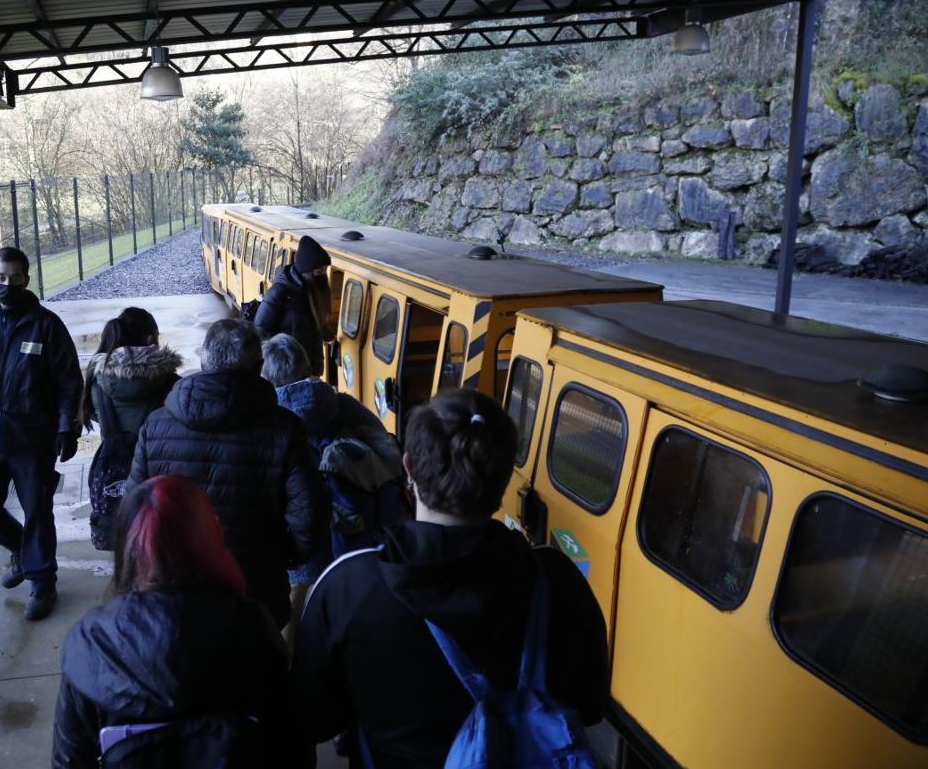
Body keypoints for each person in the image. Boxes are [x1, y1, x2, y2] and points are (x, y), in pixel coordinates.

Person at [289, 389, 609, 769]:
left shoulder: (347, 588)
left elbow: (311, 719)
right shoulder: (559, 581)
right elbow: (589, 707)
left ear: (408, 466)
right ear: (506, 475)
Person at [52, 476, 293, 769]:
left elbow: (69, 761)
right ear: (209, 538)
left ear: (127, 547)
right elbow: (288, 746)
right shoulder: (253, 627)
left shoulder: (92, 643)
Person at [127, 318, 327, 628]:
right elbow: (309, 510)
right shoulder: (284, 429)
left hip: (178, 581)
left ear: (204, 360)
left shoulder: (156, 424)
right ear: (258, 365)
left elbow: (134, 503)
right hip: (256, 584)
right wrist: (286, 555)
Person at [0, 246, 82, 622]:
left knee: (38, 509)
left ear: (26, 278)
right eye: (0, 277)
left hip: (33, 437)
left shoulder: (46, 325)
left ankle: (42, 583)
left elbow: (69, 382)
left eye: (14, 277)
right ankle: (25, 553)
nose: (6, 284)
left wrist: (65, 427)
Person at [261, 334, 405, 634]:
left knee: (294, 635)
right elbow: (390, 457)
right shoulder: (345, 406)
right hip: (356, 546)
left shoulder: (267, 421)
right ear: (306, 367)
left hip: (298, 559)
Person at [81, 307, 182, 550]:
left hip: (117, 474)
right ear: (150, 341)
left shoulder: (98, 385)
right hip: (161, 475)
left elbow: (94, 414)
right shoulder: (171, 383)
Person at [254, 235, 334, 378]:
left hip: (309, 367)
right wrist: (283, 355)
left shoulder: (312, 291)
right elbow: (259, 331)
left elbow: (313, 324)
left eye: (324, 271)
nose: (323, 275)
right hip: (287, 370)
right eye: (319, 271)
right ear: (307, 271)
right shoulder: (280, 292)